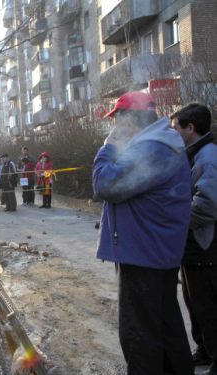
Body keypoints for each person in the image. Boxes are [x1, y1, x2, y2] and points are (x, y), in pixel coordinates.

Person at [93, 91, 193, 374]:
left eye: (117, 119)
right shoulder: (159, 144)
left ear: (129, 118)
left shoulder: (152, 148)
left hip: (143, 255)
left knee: (139, 335)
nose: (114, 127)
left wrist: (108, 148)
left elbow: (106, 185)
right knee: (164, 327)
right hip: (154, 252)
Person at [171, 103, 217, 374]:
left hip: (204, 244)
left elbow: (207, 205)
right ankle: (203, 349)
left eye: (176, 128)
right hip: (192, 245)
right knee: (194, 301)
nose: (173, 132)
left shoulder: (208, 157)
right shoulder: (193, 154)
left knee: (208, 304)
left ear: (191, 128)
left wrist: (175, 222)